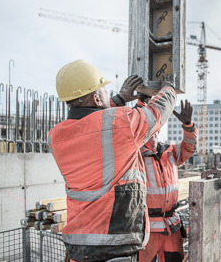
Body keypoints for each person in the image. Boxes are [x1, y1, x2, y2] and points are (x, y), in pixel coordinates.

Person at [48, 59, 177, 262]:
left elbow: (94, 124)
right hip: (113, 245)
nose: (108, 93)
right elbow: (157, 111)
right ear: (97, 99)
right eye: (104, 90)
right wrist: (170, 87)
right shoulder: (120, 124)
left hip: (79, 246)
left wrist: (119, 98)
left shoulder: (56, 136)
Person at [134, 97, 197, 262]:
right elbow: (123, 133)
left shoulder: (169, 151)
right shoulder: (134, 155)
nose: (152, 132)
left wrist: (188, 126)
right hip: (146, 229)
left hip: (171, 225)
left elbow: (189, 147)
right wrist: (139, 105)